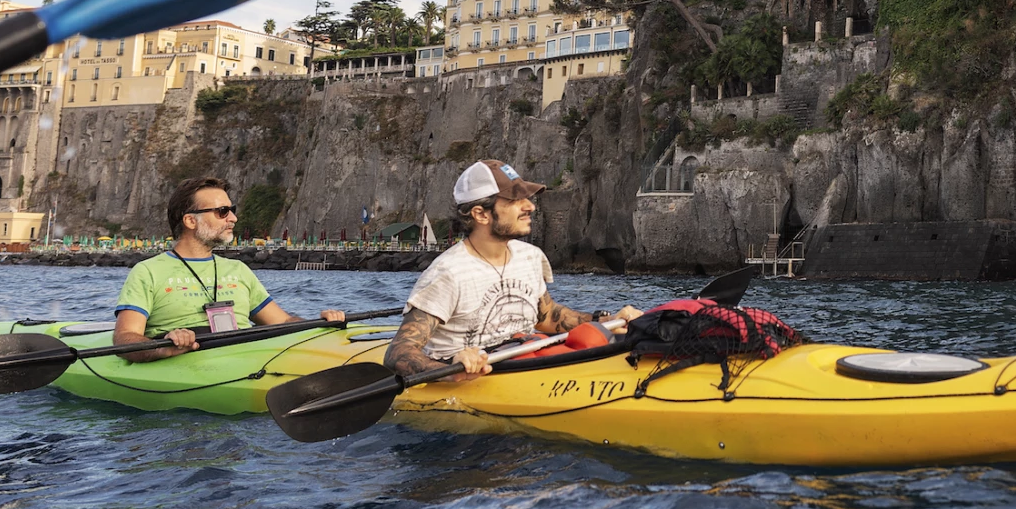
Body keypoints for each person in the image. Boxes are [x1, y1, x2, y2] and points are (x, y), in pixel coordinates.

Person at [385, 160, 641, 381]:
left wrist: (604, 321)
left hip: (528, 355)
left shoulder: (530, 256)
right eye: (515, 200)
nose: (530, 206)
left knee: (599, 339)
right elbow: (399, 353)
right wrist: (449, 370)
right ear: (481, 214)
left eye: (526, 198)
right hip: (479, 373)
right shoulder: (448, 273)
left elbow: (547, 317)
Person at [113, 176, 344, 362]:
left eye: (231, 209)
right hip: (186, 357)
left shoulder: (239, 270)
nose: (233, 218)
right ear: (191, 221)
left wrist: (319, 324)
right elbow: (124, 339)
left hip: (245, 356)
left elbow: (282, 323)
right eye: (222, 211)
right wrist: (162, 348)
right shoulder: (148, 272)